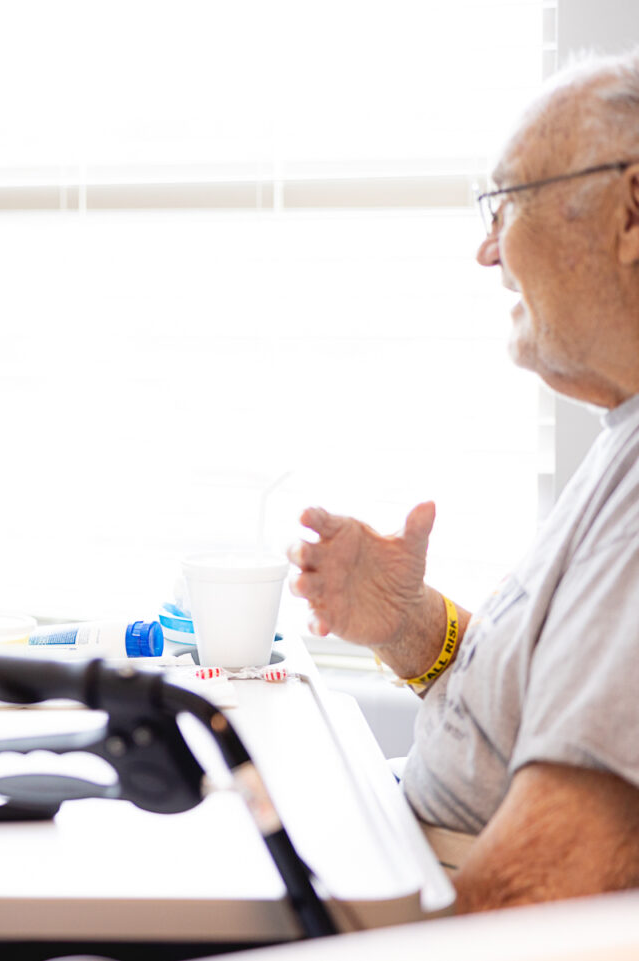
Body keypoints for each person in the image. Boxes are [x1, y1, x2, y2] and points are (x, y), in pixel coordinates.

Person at [289, 51, 639, 913]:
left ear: (631, 210)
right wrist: (412, 628)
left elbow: (548, 885)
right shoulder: (623, 436)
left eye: (507, 201)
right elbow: (538, 706)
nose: (487, 252)